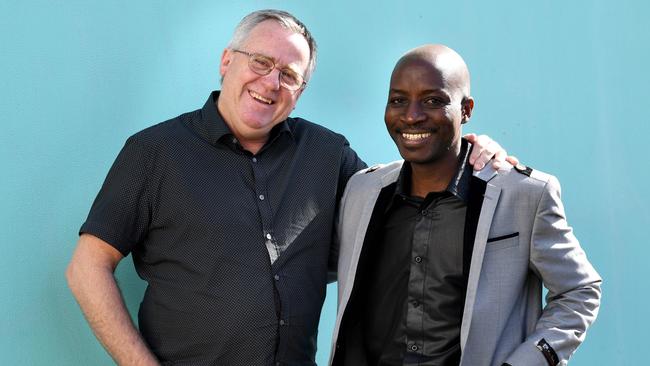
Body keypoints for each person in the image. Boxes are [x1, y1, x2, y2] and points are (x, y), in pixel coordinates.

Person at [65, 10, 508, 366]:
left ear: (299, 91)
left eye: (290, 75)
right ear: (227, 61)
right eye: (261, 62)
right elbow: (87, 268)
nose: (271, 82)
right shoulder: (155, 152)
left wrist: (465, 147)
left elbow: (404, 200)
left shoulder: (326, 152)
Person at [330, 44, 601, 366]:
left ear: (466, 110)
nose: (412, 115)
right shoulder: (362, 190)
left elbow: (579, 291)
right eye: (398, 100)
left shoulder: (525, 194)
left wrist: (529, 361)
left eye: (433, 100)